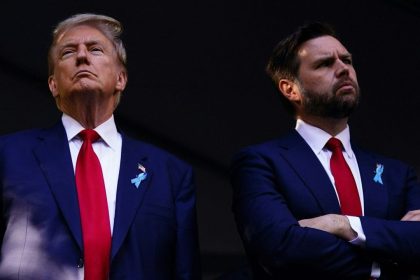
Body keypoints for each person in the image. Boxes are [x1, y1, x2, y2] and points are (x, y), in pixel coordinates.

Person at [0, 13, 200, 279]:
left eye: (95, 49)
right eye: (68, 52)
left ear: (121, 79)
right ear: (52, 85)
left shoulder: (171, 174)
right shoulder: (8, 156)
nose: (82, 56)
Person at [230, 22, 420, 279]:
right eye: (324, 64)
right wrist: (388, 259)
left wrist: (343, 224)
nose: (343, 69)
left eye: (347, 60)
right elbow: (279, 249)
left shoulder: (398, 174)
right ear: (290, 89)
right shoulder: (259, 163)